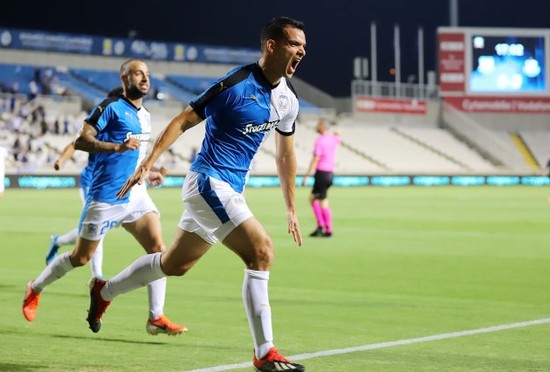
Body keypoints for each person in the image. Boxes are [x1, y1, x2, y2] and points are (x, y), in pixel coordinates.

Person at [86, 17, 307, 372]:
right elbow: (183, 120)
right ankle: (265, 352)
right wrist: (147, 163)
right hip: (207, 182)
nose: (302, 51)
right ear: (272, 46)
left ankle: (103, 292)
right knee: (261, 251)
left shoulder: (288, 99)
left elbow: (286, 154)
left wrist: (291, 207)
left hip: (230, 189)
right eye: (295, 44)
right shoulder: (235, 84)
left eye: (303, 47)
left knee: (175, 265)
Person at [22, 60, 186, 336]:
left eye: (147, 74)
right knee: (80, 257)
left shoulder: (145, 114)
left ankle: (155, 317)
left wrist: (148, 172)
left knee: (159, 250)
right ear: (125, 78)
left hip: (135, 195)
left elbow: (135, 156)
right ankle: (35, 288)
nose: (145, 78)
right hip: (105, 197)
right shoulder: (109, 107)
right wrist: (116, 146)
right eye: (138, 73)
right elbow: (81, 140)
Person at [45, 87, 124, 274]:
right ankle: (98, 276)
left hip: (112, 183)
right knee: (98, 229)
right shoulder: (100, 124)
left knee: (92, 230)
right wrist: (61, 160)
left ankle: (59, 240)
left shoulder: (123, 127)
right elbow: (75, 143)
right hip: (92, 182)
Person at [301, 119, 340, 237]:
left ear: (323, 127)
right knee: (313, 199)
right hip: (330, 173)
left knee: (322, 202)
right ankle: (321, 226)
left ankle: (327, 229)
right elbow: (338, 136)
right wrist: (337, 133)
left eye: (318, 125)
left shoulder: (320, 141)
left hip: (322, 173)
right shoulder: (333, 139)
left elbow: (315, 158)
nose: (316, 126)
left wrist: (307, 175)